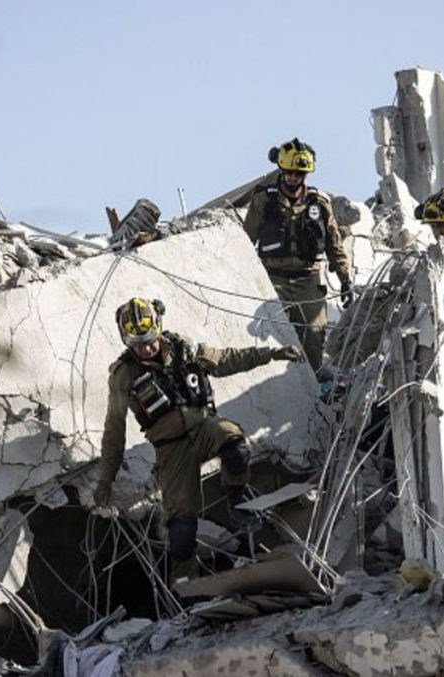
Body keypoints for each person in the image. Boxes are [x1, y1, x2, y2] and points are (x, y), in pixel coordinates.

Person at [94, 297, 304, 583]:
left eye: (149, 341)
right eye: (137, 345)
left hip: (204, 427)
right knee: (181, 531)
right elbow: (114, 430)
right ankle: (185, 587)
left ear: (158, 329)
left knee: (236, 447)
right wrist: (105, 480)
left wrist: (272, 354)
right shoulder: (124, 375)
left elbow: (226, 359)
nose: (146, 349)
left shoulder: (183, 348)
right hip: (171, 449)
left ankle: (237, 499)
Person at [243, 137, 352, 372]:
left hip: (308, 279)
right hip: (273, 278)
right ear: (282, 171)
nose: (293, 178)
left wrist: (345, 279)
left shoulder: (319, 203)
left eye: (299, 174)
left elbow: (334, 244)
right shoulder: (264, 199)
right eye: (289, 173)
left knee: (313, 334)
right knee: (268, 332)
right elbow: (246, 240)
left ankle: (314, 382)